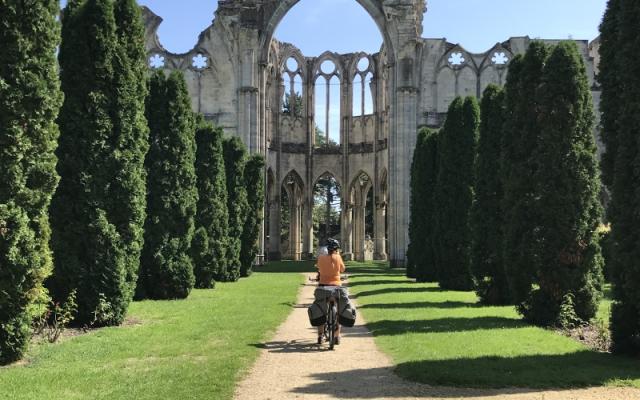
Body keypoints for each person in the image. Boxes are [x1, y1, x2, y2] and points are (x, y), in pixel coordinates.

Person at [314, 238, 349, 345]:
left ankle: (320, 335)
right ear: (336, 249)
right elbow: (342, 269)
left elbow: (319, 268)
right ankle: (337, 336)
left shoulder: (321, 258)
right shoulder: (338, 257)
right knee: (339, 311)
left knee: (321, 310)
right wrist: (337, 256)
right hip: (336, 286)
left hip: (323, 286)